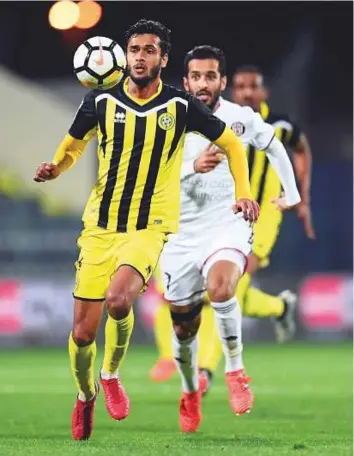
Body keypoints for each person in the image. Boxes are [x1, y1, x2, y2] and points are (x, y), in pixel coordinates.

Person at [33, 22, 259, 440]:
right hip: (99, 228)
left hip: (149, 226)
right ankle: (86, 395)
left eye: (149, 50)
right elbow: (73, 144)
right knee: (83, 332)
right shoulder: (98, 100)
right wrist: (56, 167)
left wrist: (243, 193)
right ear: (124, 56)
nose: (140, 56)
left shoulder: (180, 106)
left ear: (163, 59)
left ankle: (112, 373)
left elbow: (231, 144)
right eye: (134, 49)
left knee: (120, 300)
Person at [157, 45, 301, 432]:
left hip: (228, 222)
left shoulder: (240, 118)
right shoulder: (165, 117)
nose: (203, 84)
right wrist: (192, 166)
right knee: (183, 329)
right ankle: (189, 392)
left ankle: (236, 371)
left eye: (211, 76)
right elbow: (148, 176)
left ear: (222, 81)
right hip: (180, 233)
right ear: (185, 81)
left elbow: (274, 145)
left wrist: (292, 194)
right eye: (196, 77)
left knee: (222, 289)